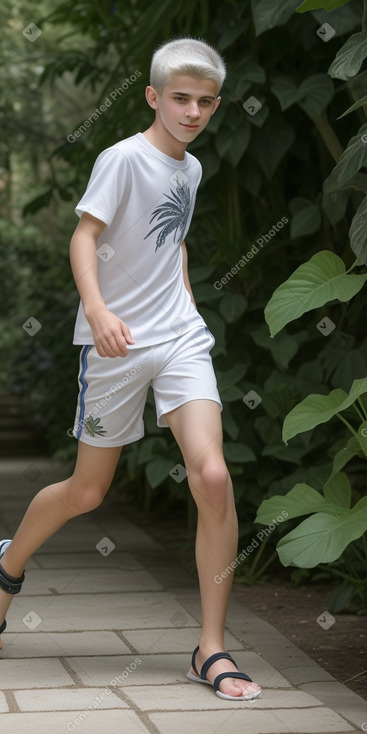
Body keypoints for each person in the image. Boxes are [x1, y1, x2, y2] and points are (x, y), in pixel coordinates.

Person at [0, 37, 262, 701]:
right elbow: (84, 235)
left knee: (211, 475)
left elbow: (169, 245)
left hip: (179, 340)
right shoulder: (121, 159)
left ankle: (210, 648)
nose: (193, 110)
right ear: (153, 97)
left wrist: (190, 317)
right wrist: (99, 310)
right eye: (180, 97)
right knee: (87, 493)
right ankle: (6, 568)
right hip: (113, 345)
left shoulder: (192, 170)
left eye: (205, 101)